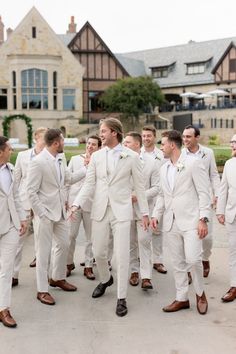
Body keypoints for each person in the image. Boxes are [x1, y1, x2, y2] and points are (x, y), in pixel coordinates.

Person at [70, 117, 149, 317]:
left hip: (122, 211)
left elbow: (140, 187)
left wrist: (146, 213)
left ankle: (121, 297)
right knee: (99, 253)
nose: (101, 134)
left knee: (121, 255)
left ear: (114, 132)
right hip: (99, 209)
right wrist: (76, 203)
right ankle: (106, 279)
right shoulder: (96, 157)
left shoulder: (131, 156)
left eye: (103, 131)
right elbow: (89, 184)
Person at [151, 130, 211, 315]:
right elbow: (162, 194)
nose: (161, 147)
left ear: (172, 145)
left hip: (192, 220)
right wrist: (156, 215)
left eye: (163, 144)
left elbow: (204, 192)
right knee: (177, 263)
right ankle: (181, 298)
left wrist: (203, 219)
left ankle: (200, 293)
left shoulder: (193, 163)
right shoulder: (163, 168)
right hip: (170, 222)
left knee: (193, 260)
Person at [27, 129, 86, 306]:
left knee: (64, 244)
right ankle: (42, 290)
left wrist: (87, 168)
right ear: (55, 143)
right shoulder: (37, 162)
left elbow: (67, 179)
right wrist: (41, 213)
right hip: (45, 214)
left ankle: (57, 278)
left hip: (60, 212)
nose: (64, 143)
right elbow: (31, 191)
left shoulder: (60, 158)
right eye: (62, 141)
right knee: (43, 252)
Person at [182, 125, 220, 278]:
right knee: (189, 235)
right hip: (188, 201)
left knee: (207, 238)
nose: (185, 140)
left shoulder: (208, 153)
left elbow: (214, 175)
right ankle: (191, 266)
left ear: (197, 137)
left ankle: (205, 259)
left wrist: (216, 194)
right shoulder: (181, 154)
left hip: (205, 200)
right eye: (184, 136)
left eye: (188, 137)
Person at [12, 127, 48, 286]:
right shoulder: (22, 155)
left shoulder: (52, 156)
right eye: (43, 138)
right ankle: (13, 274)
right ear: (36, 139)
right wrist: (14, 203)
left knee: (42, 241)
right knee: (19, 239)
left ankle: (43, 277)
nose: (46, 141)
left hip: (43, 204)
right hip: (25, 202)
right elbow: (16, 180)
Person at [124, 131, 159, 290]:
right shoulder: (121, 160)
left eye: (127, 143)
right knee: (131, 243)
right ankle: (133, 272)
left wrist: (139, 196)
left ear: (137, 144)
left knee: (144, 241)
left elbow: (157, 187)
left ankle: (146, 277)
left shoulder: (152, 162)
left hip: (145, 211)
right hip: (125, 210)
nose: (124, 145)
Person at [0, 136, 27, 327]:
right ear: (0, 151)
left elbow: (16, 196)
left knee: (6, 269)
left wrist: (22, 218)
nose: (12, 151)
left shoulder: (11, 170)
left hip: (10, 225)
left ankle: (4, 308)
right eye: (9, 149)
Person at [66, 135, 102, 279]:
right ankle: (68, 264)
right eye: (88, 143)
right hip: (74, 202)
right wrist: (66, 201)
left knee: (90, 238)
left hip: (92, 203)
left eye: (94, 144)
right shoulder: (75, 159)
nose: (90, 146)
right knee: (70, 236)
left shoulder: (100, 161)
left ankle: (88, 266)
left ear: (99, 147)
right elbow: (68, 180)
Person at [141, 125, 167, 275]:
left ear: (154, 137)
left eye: (148, 136)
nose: (146, 138)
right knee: (142, 232)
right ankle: (140, 260)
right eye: (143, 136)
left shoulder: (161, 154)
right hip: (142, 198)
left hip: (158, 198)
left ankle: (158, 260)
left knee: (157, 231)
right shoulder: (138, 153)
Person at [216, 134, 236, 303]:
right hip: (232, 215)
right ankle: (234, 285)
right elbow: (223, 190)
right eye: (232, 143)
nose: (233, 145)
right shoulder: (229, 164)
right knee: (233, 251)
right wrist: (220, 211)